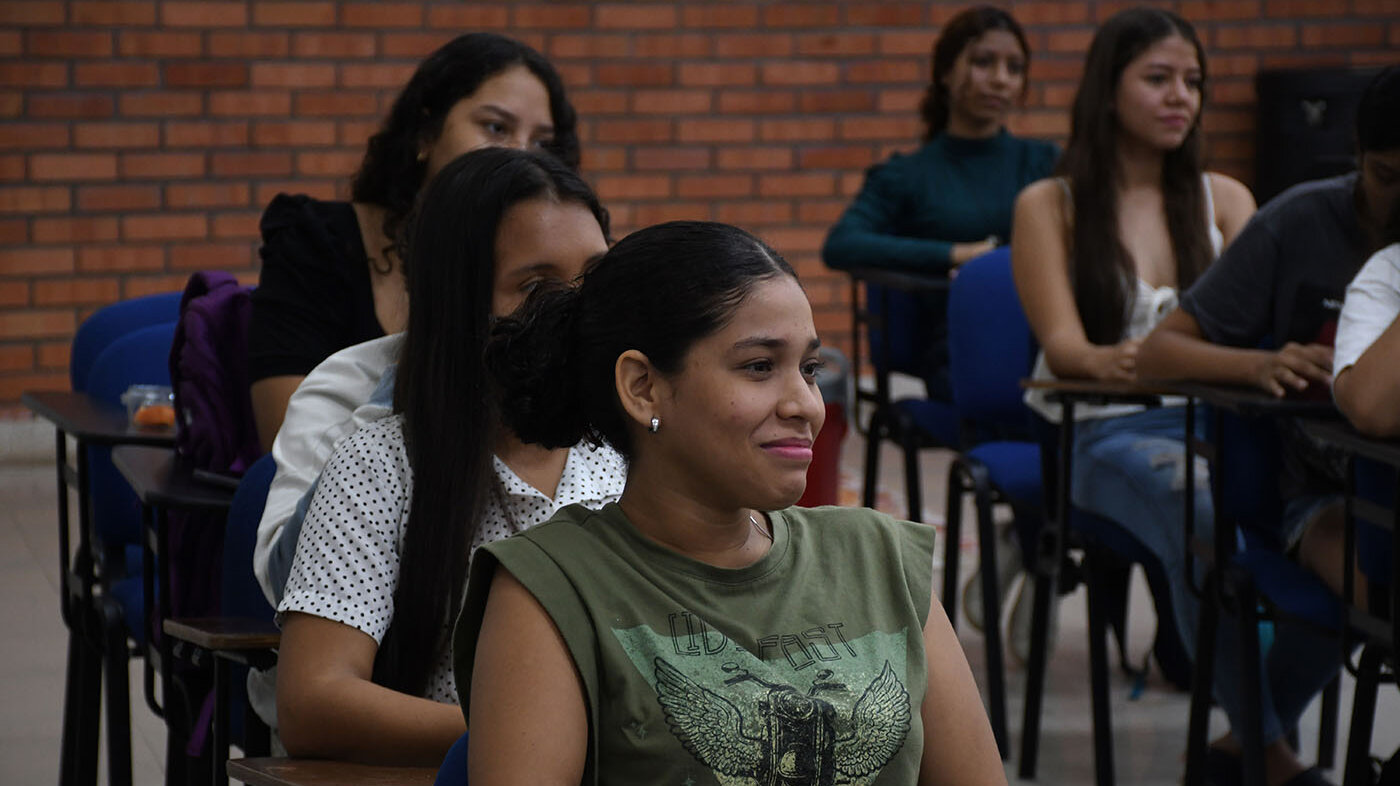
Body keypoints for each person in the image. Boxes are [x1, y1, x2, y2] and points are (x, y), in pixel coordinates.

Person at [455, 221, 1007, 785]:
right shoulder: (551, 589)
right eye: (759, 366)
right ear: (643, 386)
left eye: (809, 369)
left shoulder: (881, 559)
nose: (805, 405)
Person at [272, 148, 624, 766]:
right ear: (462, 304)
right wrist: (526, 730)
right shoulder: (384, 464)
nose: (576, 309)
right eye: (536, 286)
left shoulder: (635, 448)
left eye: (594, 280)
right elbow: (311, 701)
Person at [1010, 5, 1272, 781]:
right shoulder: (1050, 204)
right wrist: (1175, 362)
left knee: (1342, 523)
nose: (1180, 97)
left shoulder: (1226, 199)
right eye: (1157, 78)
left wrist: (1171, 362)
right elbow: (1069, 353)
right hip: (1104, 432)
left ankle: (1243, 736)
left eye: (1193, 81)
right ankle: (1270, 751)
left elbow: (1252, 343)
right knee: (1203, 509)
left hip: (1224, 421)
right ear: (1107, 89)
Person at [1139, 66, 1400, 786]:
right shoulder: (1301, 221)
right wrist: (1254, 365)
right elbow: (1160, 352)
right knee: (1379, 594)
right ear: (1357, 153)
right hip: (1318, 495)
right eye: (1386, 176)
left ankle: (1243, 756)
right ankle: (1263, 756)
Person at [248, 31, 580, 451]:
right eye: (496, 127)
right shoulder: (317, 240)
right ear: (426, 133)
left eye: (542, 143)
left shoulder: (557, 263)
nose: (520, 156)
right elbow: (286, 440)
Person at [822, 5, 1058, 403]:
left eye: (1014, 68)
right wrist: (955, 254)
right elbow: (842, 244)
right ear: (946, 72)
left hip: (1045, 335)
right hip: (956, 346)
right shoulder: (907, 175)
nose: (1001, 79)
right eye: (984, 63)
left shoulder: (1046, 163)